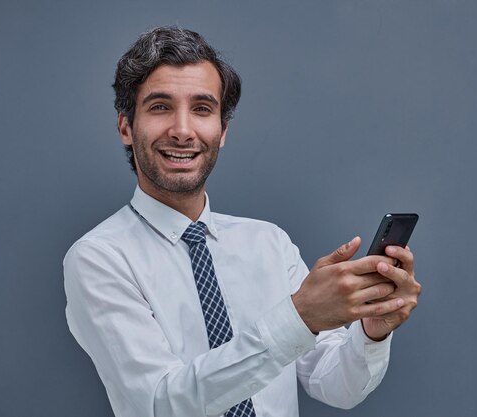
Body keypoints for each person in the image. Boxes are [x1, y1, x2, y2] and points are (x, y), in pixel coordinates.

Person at [64, 26, 421, 417]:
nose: (182, 131)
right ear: (126, 128)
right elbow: (161, 403)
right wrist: (300, 317)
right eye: (160, 107)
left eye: (202, 109)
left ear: (222, 131)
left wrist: (372, 329)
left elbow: (335, 385)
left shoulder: (269, 243)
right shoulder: (99, 258)